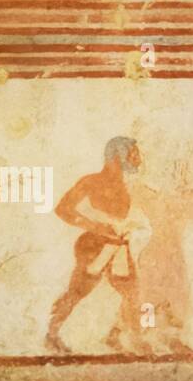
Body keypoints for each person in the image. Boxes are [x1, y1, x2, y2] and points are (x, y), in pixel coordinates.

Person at [46, 136, 151, 354]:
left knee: (134, 294)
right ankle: (52, 335)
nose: (136, 159)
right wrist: (96, 226)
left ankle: (116, 336)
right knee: (77, 292)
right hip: (94, 247)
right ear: (116, 156)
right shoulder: (90, 181)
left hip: (119, 246)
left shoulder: (128, 185)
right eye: (132, 153)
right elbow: (63, 209)